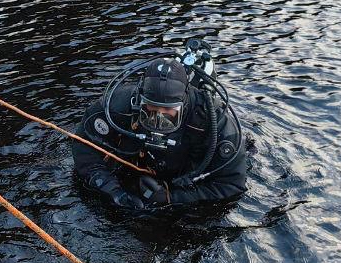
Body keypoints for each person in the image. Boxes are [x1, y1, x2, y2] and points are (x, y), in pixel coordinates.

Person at [72, 42, 247, 212]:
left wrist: (172, 198)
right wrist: (111, 190)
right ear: (140, 101)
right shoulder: (117, 105)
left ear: (183, 105)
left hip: (184, 177)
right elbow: (83, 146)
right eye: (151, 110)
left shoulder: (213, 121)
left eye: (168, 112)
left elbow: (232, 185)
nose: (158, 120)